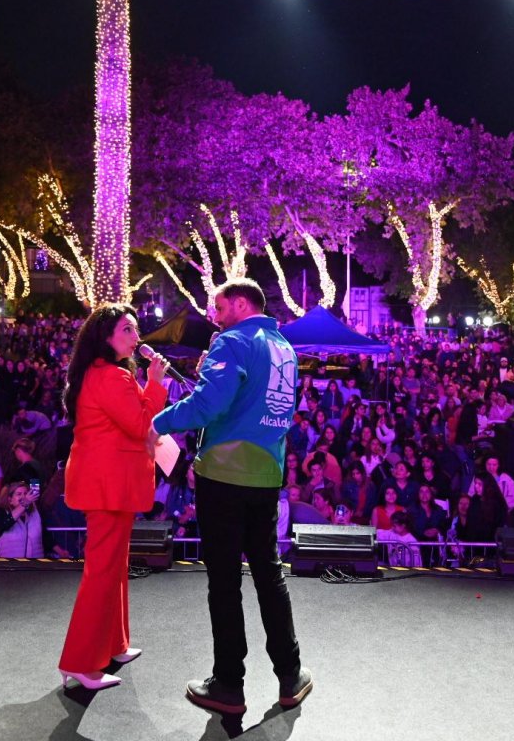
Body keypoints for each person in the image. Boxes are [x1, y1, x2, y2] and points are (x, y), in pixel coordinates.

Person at [150, 278, 312, 714]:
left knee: (224, 581)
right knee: (269, 574)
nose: (214, 317)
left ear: (241, 304)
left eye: (219, 308)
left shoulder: (232, 342)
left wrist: (157, 424)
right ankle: (290, 675)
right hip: (267, 474)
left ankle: (228, 685)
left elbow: (209, 407)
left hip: (223, 475)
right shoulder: (285, 348)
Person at [58, 304, 168, 692]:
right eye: (127, 330)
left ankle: (114, 645)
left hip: (108, 484)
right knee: (102, 573)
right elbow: (141, 424)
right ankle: (80, 663)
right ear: (105, 336)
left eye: (135, 329)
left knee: (114, 567)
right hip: (107, 486)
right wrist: (156, 383)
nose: (136, 337)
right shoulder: (110, 376)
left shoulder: (105, 373)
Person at [0, 481, 44, 559]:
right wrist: (24, 503)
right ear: (10, 500)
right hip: (9, 565)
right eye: (19, 494)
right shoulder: (1, 512)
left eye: (25, 494)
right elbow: (4, 525)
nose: (23, 497)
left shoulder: (34, 513)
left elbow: (45, 537)